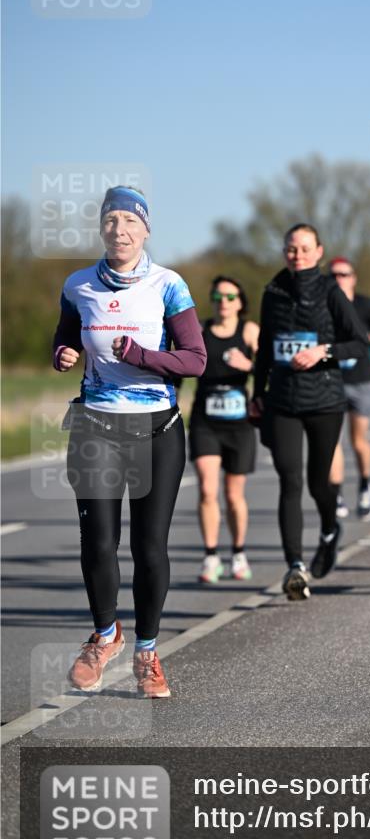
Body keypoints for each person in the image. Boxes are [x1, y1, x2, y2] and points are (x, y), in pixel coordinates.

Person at [53, 186, 206, 698]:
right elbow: (66, 335)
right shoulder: (78, 285)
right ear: (101, 228)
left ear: (145, 230)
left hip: (156, 430)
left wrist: (141, 355)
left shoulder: (169, 285)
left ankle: (147, 651)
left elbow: (195, 360)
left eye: (128, 221)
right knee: (98, 543)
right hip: (95, 426)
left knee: (149, 547)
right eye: (110, 220)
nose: (119, 229)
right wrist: (64, 354)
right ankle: (104, 636)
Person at [249, 224, 367, 600]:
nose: (296, 254)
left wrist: (323, 352)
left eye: (304, 248)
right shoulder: (273, 292)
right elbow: (266, 348)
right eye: (290, 248)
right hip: (282, 401)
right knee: (290, 480)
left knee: (319, 484)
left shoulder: (331, 291)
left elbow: (359, 343)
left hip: (324, 401)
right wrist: (257, 392)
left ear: (318, 252)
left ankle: (330, 530)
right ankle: (295, 567)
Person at [190, 276, 259, 583]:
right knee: (207, 488)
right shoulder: (199, 331)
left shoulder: (250, 331)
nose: (223, 302)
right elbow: (180, 366)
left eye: (230, 297)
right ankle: (210, 556)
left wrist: (248, 366)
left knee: (233, 495)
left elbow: (270, 367)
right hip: (206, 421)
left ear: (240, 302)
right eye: (218, 296)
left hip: (239, 424)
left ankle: (239, 553)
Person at [326, 256, 370, 522]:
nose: (338, 279)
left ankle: (366, 484)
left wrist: (365, 337)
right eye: (332, 276)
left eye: (343, 274)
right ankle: (337, 493)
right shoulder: (323, 306)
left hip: (361, 379)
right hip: (331, 379)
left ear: (353, 278)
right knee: (333, 441)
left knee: (358, 440)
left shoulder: (365, 305)